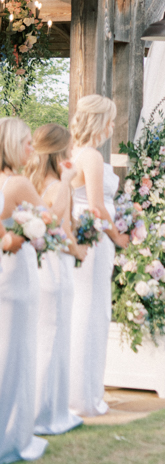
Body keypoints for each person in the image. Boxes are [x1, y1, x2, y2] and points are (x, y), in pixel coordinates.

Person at [0, 116, 76, 464]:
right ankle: (13, 437)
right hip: (17, 274)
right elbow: (48, 220)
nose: (32, 147)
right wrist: (69, 184)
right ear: (12, 145)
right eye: (26, 142)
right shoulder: (16, 183)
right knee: (17, 354)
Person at [69, 95, 130, 416]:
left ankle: (81, 391)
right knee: (91, 314)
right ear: (99, 121)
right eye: (110, 120)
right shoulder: (90, 156)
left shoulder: (72, 152)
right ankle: (83, 397)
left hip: (84, 238)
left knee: (84, 310)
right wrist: (120, 236)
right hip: (94, 239)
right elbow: (96, 206)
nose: (112, 126)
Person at [26, 124, 88, 436]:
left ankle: (47, 409)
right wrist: (79, 250)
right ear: (60, 151)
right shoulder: (56, 185)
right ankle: (46, 414)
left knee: (42, 340)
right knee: (53, 341)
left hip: (37, 269)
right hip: (54, 268)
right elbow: (59, 229)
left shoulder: (31, 182)